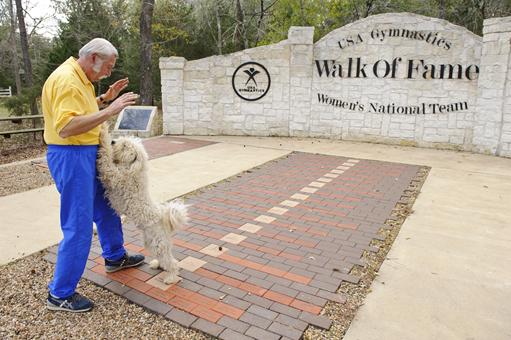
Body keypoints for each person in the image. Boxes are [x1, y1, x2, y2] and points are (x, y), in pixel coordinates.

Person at [42, 38, 143, 312]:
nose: (109, 72)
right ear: (93, 58)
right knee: (79, 223)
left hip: (87, 154)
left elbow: (80, 109)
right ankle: (60, 294)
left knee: (107, 206)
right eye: (108, 66)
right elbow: (66, 126)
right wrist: (111, 110)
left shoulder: (80, 77)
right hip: (72, 156)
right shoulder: (67, 80)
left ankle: (115, 256)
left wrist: (103, 98)